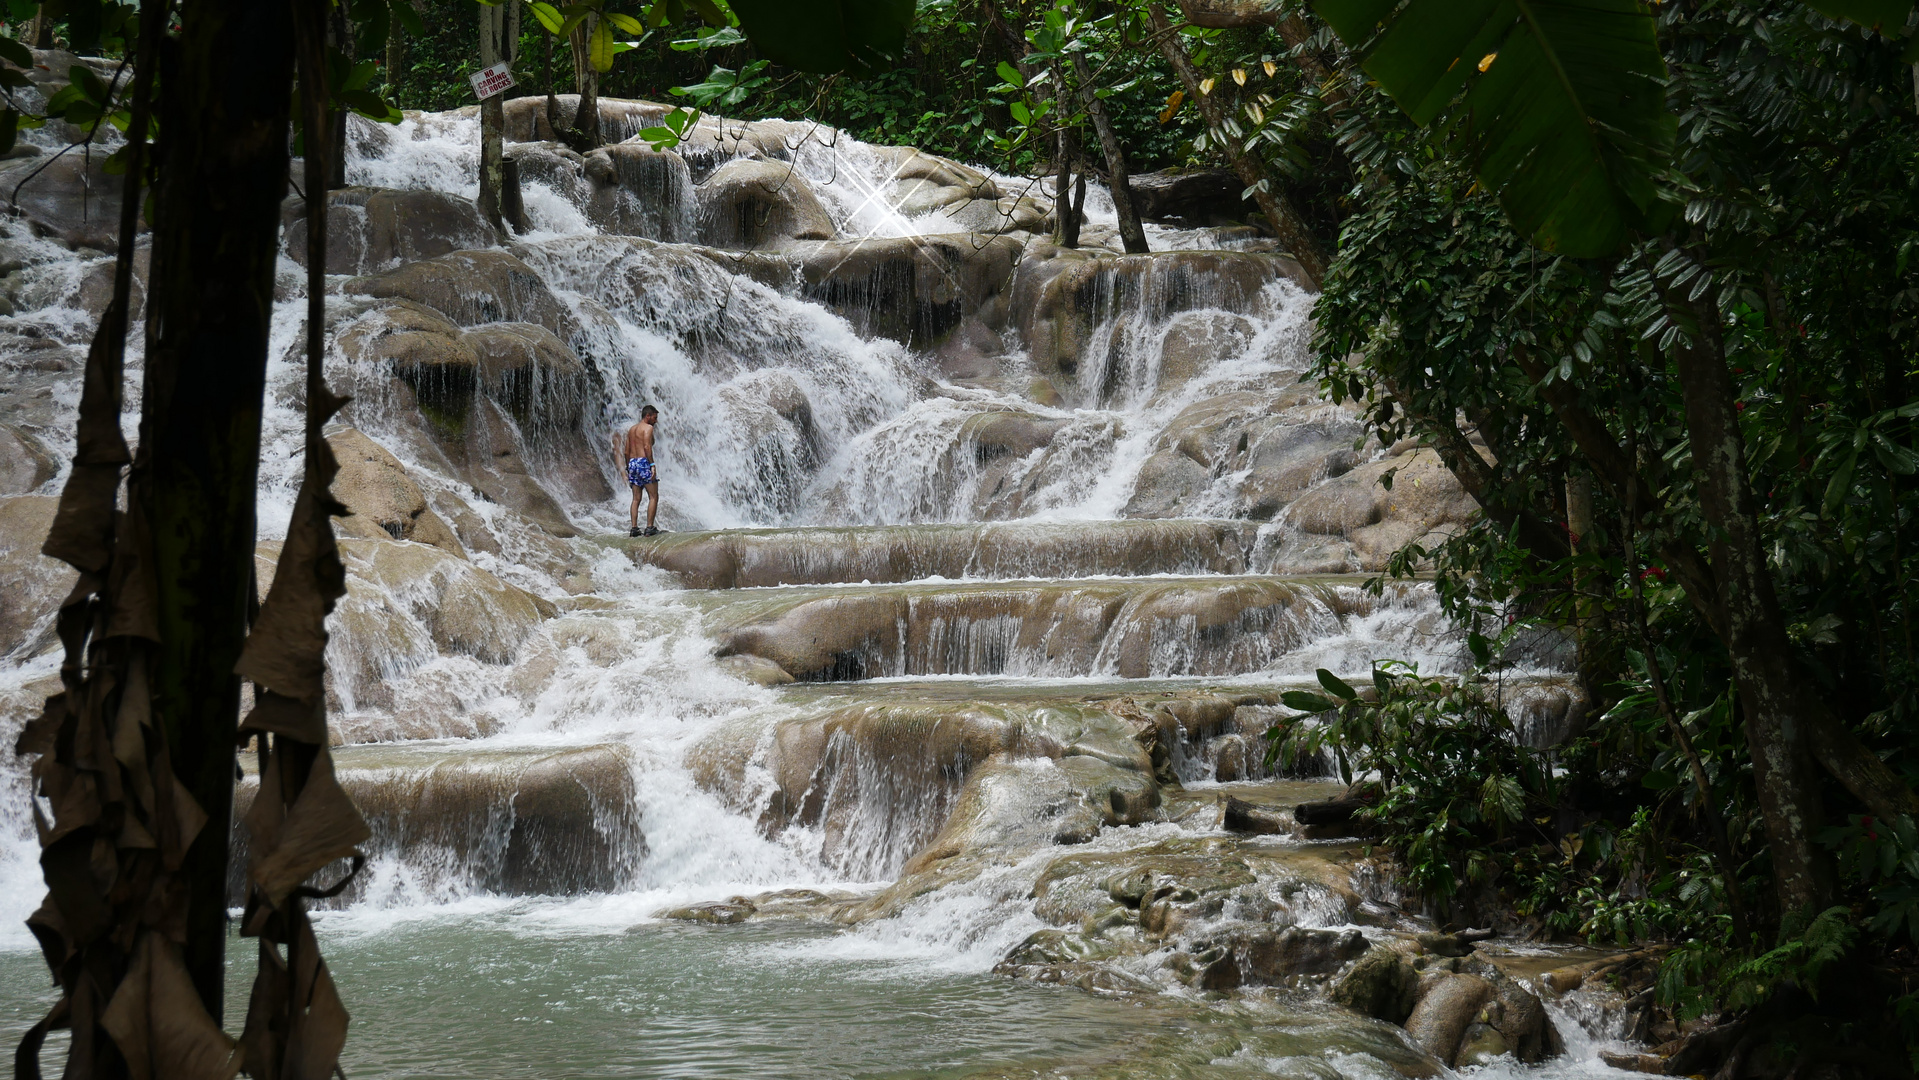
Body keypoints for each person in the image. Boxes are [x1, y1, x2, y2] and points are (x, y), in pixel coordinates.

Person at [616, 405, 661, 537]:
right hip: (643, 462)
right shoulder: (648, 428)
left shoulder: (632, 429)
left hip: (632, 463)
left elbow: (626, 451)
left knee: (636, 499)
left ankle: (634, 528)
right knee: (653, 496)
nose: (656, 421)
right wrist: (652, 464)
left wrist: (629, 467)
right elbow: (647, 446)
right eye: (655, 417)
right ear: (648, 416)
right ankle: (649, 527)